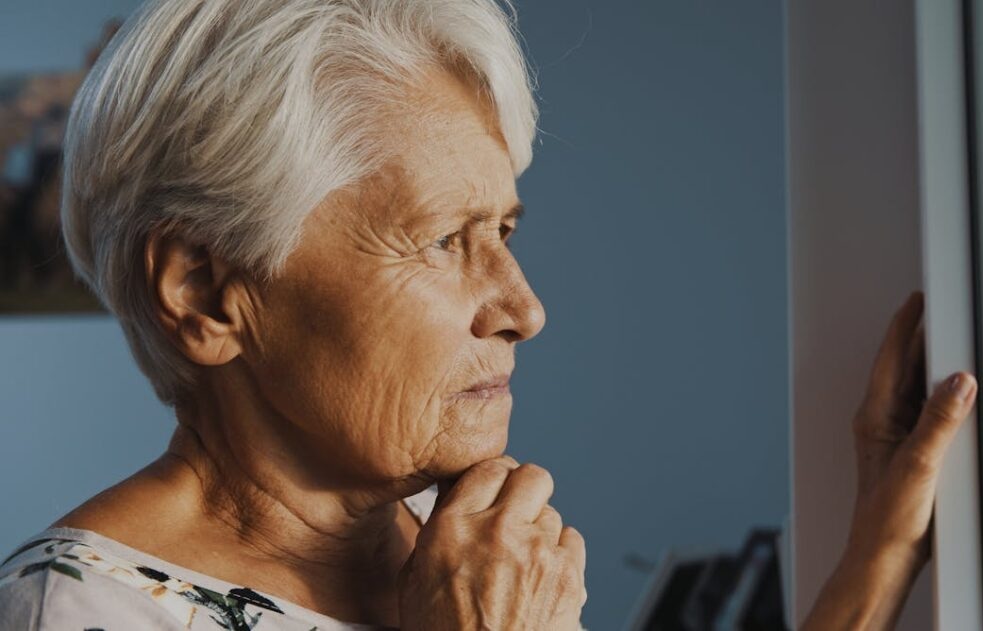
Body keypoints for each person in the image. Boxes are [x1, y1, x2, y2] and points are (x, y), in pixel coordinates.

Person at [0, 1, 974, 629]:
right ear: (207, 293)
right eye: (440, 239)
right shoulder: (69, 613)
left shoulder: (460, 551)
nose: (524, 307)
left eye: (504, 227)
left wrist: (874, 560)